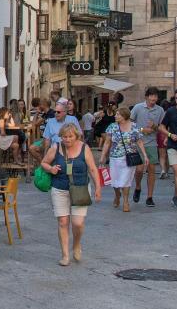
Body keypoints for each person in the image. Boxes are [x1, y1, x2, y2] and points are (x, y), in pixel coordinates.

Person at [40, 121, 102, 266]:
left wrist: (98, 187)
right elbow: (44, 163)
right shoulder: (55, 147)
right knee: (63, 222)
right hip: (59, 188)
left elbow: (92, 168)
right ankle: (65, 255)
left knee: (78, 223)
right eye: (64, 137)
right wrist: (50, 169)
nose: (67, 140)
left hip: (80, 188)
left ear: (76, 136)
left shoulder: (84, 148)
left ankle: (77, 244)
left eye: (70, 137)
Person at [99, 108, 147, 213]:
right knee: (115, 180)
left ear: (124, 116)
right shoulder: (112, 127)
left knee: (126, 180)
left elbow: (139, 141)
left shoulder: (134, 127)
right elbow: (107, 142)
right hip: (115, 157)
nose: (115, 116)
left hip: (129, 158)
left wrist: (145, 155)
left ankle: (125, 201)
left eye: (118, 114)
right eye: (116, 114)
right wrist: (103, 156)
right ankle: (117, 195)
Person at [130, 87, 165, 207]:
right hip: (138, 143)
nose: (153, 98)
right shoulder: (138, 107)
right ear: (147, 96)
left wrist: (155, 127)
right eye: (151, 96)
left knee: (151, 170)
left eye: (155, 96)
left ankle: (150, 197)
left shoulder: (160, 110)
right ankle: (138, 187)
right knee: (139, 170)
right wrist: (141, 129)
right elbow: (129, 123)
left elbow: (162, 127)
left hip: (152, 143)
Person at [30, 99, 75, 163]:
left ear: (43, 105)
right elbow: (35, 124)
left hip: (53, 140)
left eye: (39, 105)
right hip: (46, 138)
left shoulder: (53, 114)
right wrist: (37, 113)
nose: (38, 106)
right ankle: (43, 164)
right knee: (32, 148)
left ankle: (45, 164)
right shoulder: (45, 114)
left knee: (36, 148)